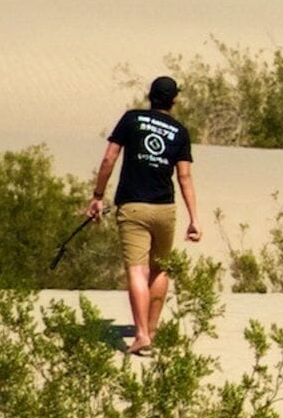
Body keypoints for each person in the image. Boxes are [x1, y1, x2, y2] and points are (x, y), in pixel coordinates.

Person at [83, 74, 201, 356]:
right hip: (165, 209)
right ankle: (152, 329)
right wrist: (194, 218)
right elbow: (184, 177)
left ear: (150, 96)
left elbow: (109, 158)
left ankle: (141, 335)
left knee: (137, 269)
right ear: (174, 101)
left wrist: (98, 195)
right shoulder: (180, 131)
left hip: (133, 206)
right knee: (159, 268)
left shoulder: (131, 119)